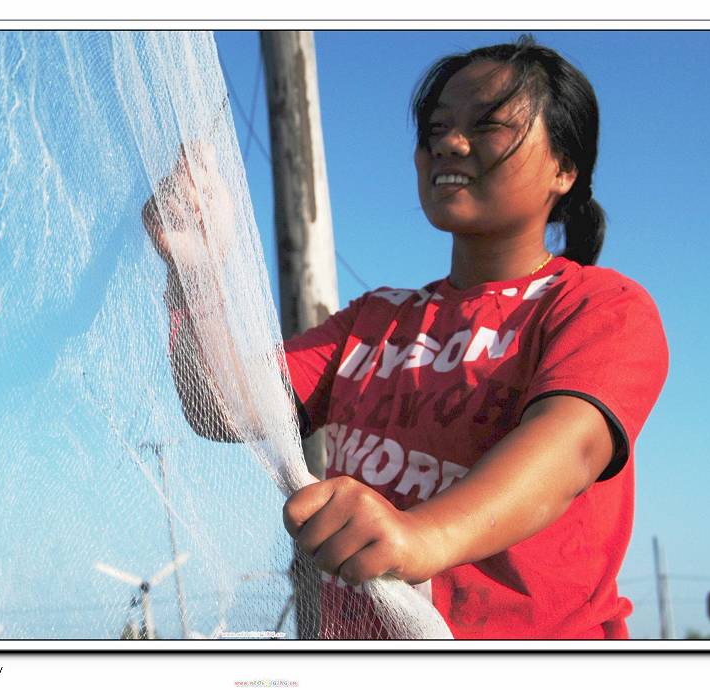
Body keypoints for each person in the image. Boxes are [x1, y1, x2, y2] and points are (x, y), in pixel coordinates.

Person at [143, 35, 668, 640]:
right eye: (435, 128)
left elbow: (569, 447)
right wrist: (196, 271)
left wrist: (422, 536)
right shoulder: (375, 319)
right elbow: (222, 407)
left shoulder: (599, 306)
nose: (449, 141)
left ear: (565, 168)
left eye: (489, 125)